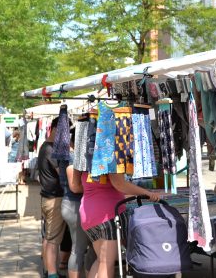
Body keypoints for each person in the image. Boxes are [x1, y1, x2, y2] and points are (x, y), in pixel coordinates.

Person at [70, 169, 160, 278]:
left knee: (101, 260)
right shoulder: (109, 153)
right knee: (106, 263)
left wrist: (95, 187)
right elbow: (119, 184)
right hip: (107, 214)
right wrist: (148, 193)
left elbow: (75, 186)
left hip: (88, 213)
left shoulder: (83, 154)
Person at [38, 117, 66, 278]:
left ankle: (48, 270)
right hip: (54, 199)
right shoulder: (51, 149)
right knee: (53, 240)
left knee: (48, 237)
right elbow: (61, 173)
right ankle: (52, 274)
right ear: (55, 129)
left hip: (47, 197)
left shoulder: (44, 147)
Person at [62, 129, 90, 278]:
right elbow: (75, 187)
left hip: (75, 205)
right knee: (78, 248)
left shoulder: (78, 157)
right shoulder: (74, 159)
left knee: (88, 248)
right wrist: (94, 188)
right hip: (74, 205)